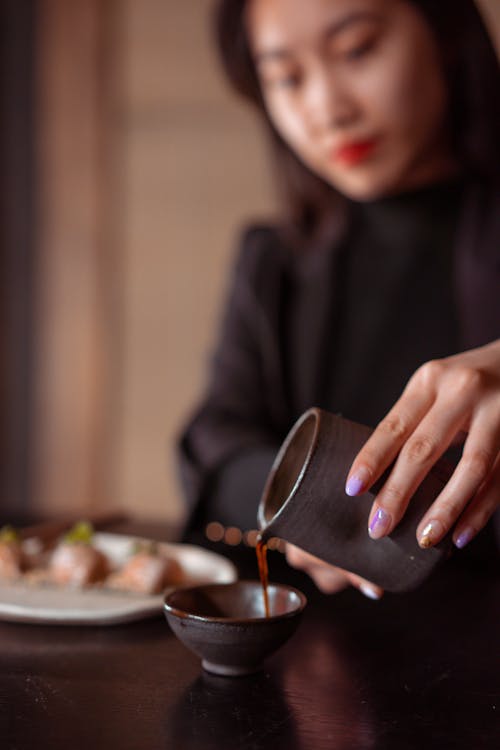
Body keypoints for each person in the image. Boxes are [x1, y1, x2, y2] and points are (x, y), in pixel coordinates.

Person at [177, 0, 500, 598]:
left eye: (357, 51)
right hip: (321, 658)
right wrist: (301, 508)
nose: (328, 109)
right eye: (286, 78)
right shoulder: (275, 262)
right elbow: (215, 446)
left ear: (445, 32)